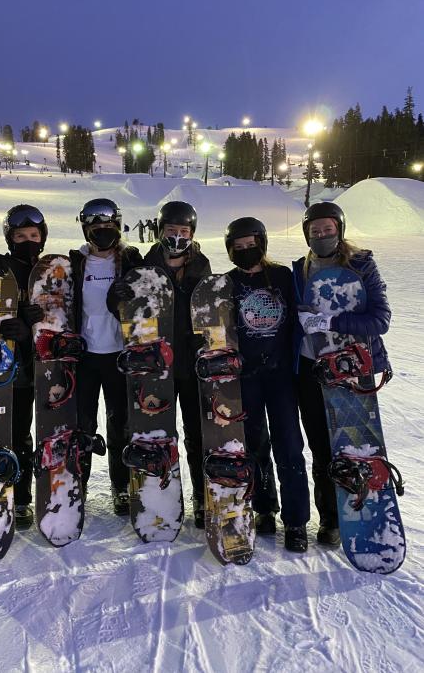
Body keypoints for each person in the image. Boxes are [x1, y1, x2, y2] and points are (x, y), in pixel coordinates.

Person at [293, 201, 392, 546]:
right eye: (315, 231)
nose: (321, 236)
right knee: (321, 447)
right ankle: (331, 519)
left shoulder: (361, 265)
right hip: (311, 367)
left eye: (328, 229)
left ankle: (364, 504)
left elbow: (380, 319)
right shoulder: (299, 270)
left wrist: (331, 321)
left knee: (352, 442)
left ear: (340, 229)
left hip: (351, 365)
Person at [225, 217, 310, 552]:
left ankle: (296, 520)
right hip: (246, 377)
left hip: (280, 377)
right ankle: (263, 508)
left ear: (262, 243)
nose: (247, 252)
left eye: (252, 245)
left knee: (289, 445)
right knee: (255, 445)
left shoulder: (282, 277)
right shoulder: (227, 283)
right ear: (231, 251)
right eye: (240, 248)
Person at [70, 198, 143, 515]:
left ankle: (122, 486)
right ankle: (78, 485)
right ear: (87, 230)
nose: (103, 233)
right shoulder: (74, 264)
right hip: (85, 356)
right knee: (81, 425)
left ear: (118, 227)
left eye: (109, 227)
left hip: (120, 355)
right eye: (96, 228)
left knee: (121, 425)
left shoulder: (132, 261)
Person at [0, 204, 47, 529]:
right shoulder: (2, 271)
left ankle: (26, 498)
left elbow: (63, 321)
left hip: (39, 370)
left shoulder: (50, 274)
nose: (28, 241)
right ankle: (5, 496)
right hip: (4, 371)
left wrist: (30, 331)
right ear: (10, 238)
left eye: (34, 236)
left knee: (34, 435)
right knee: (3, 435)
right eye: (21, 236)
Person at [143, 201, 211, 528]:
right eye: (172, 231)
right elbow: (128, 306)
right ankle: (161, 496)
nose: (177, 237)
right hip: (159, 366)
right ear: (161, 232)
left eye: (184, 232)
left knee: (198, 434)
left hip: (192, 365)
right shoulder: (148, 264)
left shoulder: (201, 265)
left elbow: (214, 310)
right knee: (159, 434)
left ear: (192, 234)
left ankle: (202, 496)